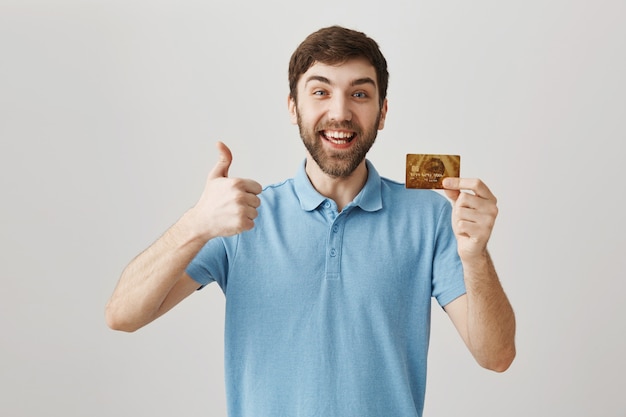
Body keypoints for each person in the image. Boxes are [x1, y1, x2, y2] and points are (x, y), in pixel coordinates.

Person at [106, 25, 515, 417]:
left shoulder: (430, 217)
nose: (340, 112)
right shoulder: (241, 216)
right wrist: (195, 223)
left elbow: (496, 356)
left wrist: (475, 254)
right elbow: (122, 315)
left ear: (383, 111)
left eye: (359, 93)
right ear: (293, 107)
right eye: (320, 91)